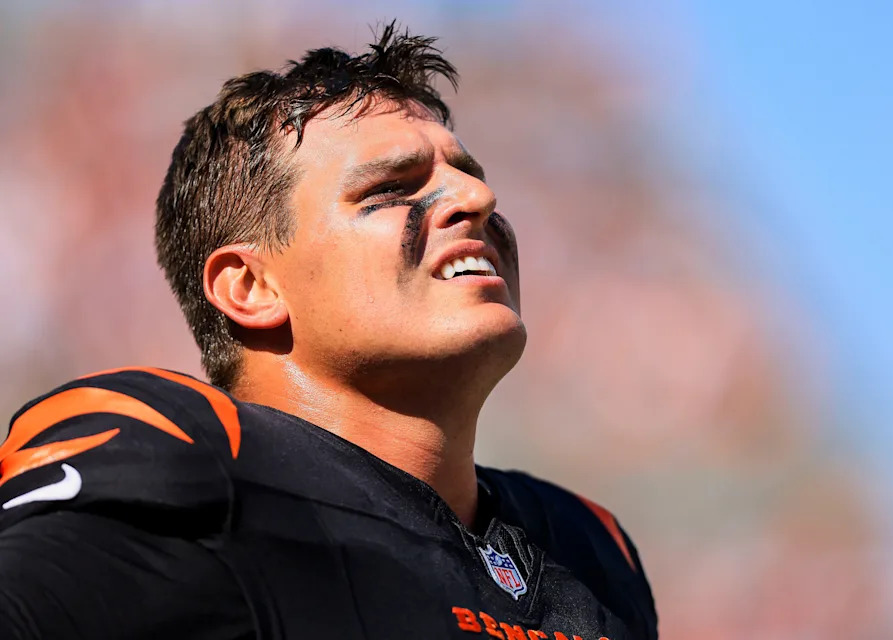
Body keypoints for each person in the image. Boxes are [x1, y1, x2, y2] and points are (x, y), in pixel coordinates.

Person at [0, 23, 657, 640]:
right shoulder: (189, 466)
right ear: (252, 288)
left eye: (470, 175)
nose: (476, 200)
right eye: (392, 188)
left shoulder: (592, 547)